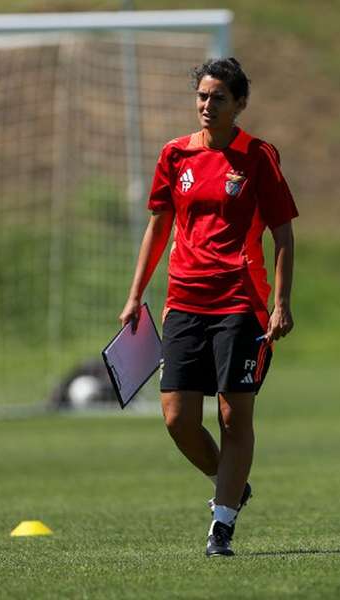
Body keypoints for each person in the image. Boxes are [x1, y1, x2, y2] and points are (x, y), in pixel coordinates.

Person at [118, 57, 298, 557]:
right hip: (184, 302)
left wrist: (280, 302)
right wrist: (136, 295)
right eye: (202, 95)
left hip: (241, 302)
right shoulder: (174, 156)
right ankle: (231, 484)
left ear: (239, 104)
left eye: (218, 97)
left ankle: (221, 525)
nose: (207, 104)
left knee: (232, 415)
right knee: (177, 418)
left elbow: (283, 231)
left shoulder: (259, 157)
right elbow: (158, 227)